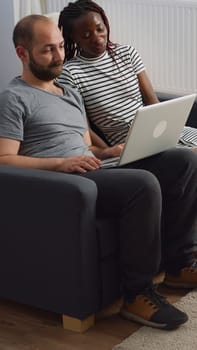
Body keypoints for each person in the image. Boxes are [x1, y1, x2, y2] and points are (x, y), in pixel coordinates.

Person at [0, 15, 197, 331]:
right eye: (47, 50)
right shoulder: (14, 98)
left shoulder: (67, 91)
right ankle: (137, 295)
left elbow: (85, 146)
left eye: (61, 47)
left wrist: (108, 151)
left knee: (183, 161)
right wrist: (60, 164)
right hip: (65, 183)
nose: (59, 56)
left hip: (93, 167)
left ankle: (179, 264)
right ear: (22, 53)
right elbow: (4, 158)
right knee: (143, 184)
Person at [58, 0, 197, 148]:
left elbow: (153, 103)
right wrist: (108, 153)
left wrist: (167, 132)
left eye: (100, 29)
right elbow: (84, 129)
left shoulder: (127, 53)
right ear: (73, 37)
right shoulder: (70, 73)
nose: (97, 38)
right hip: (130, 145)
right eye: (86, 35)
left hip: (161, 133)